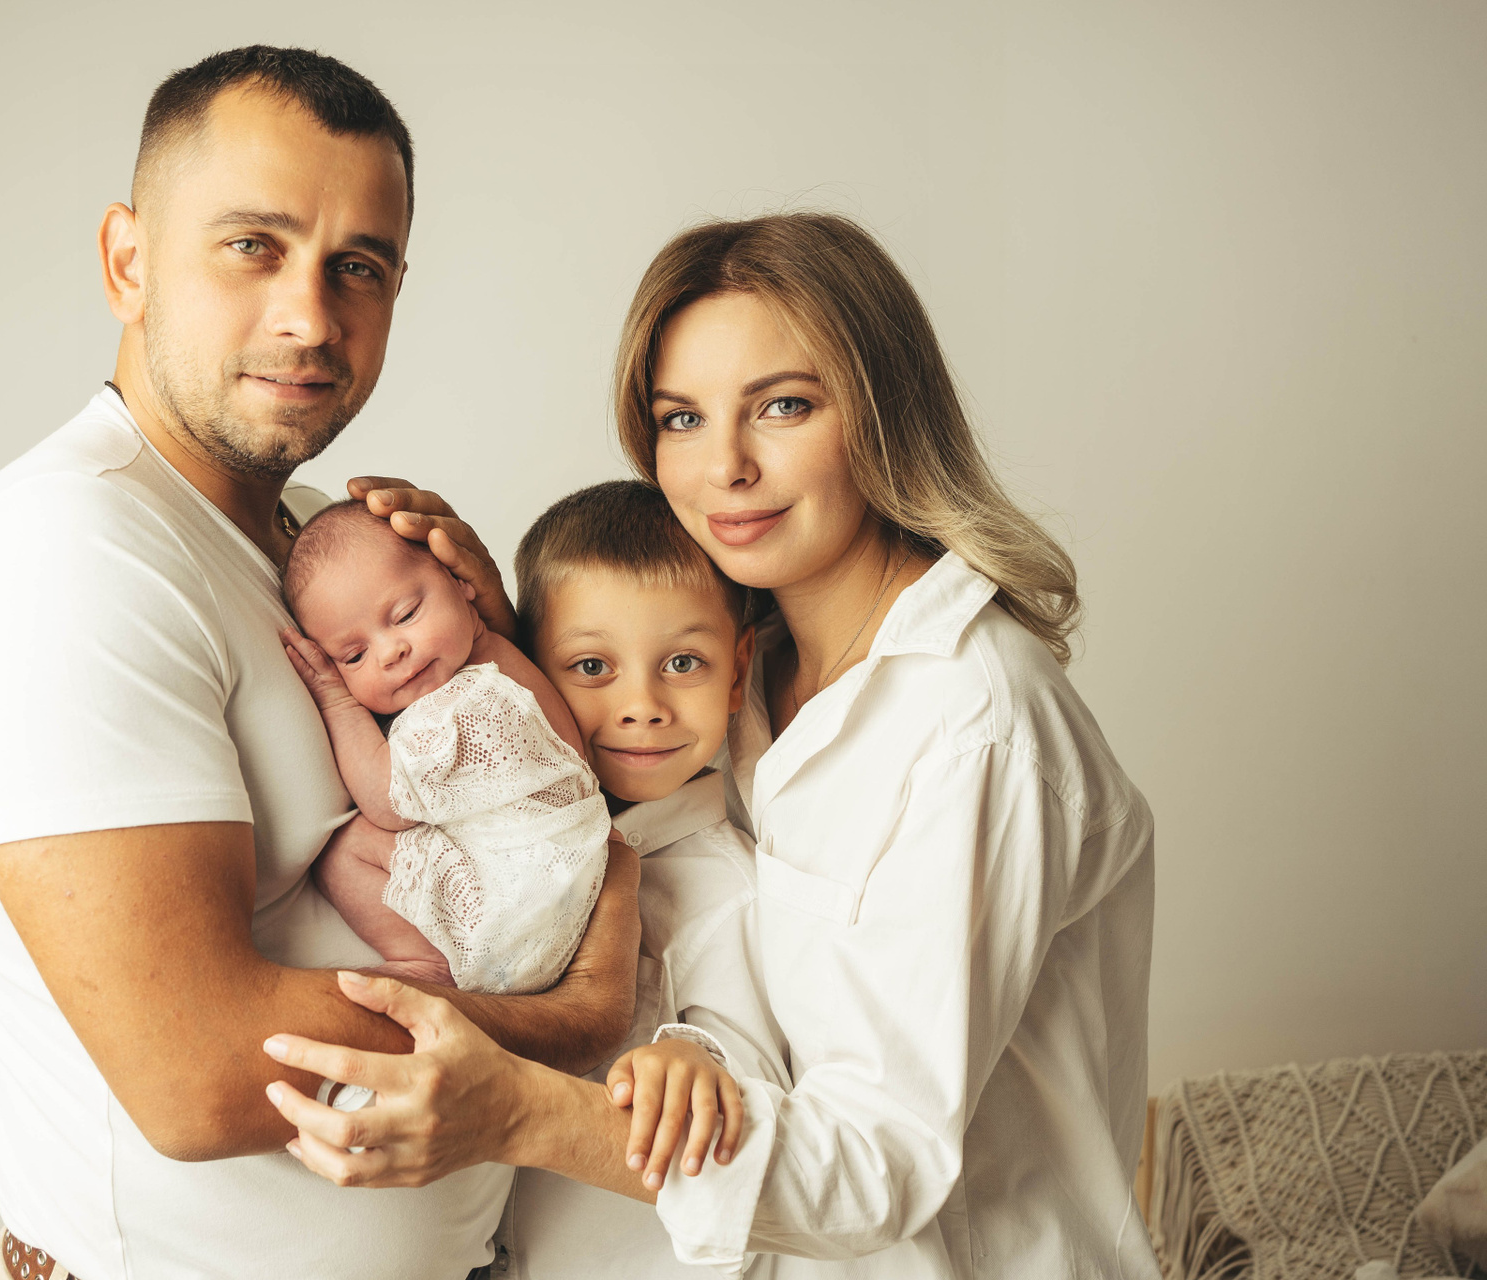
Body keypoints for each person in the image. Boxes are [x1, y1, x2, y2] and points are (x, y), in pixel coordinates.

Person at [261, 212, 1160, 1280]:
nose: (725, 465)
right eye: (682, 418)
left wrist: (523, 1112)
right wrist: (491, 643)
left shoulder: (972, 721)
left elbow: (877, 1166)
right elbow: (565, 834)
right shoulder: (729, 674)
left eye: (784, 405)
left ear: (884, 411)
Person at [0, 47, 638, 1280]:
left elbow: (494, 825)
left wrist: (501, 642)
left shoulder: (316, 546)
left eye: (360, 266)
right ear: (128, 260)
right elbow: (197, 1068)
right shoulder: (69, 546)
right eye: (254, 245)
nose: (311, 317)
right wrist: (573, 1017)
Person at [502, 480, 789, 1279]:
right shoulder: (522, 850)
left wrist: (694, 1059)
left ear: (737, 672)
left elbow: (753, 1074)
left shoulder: (725, 888)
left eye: (683, 664)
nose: (643, 705)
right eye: (593, 666)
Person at [279, 501, 609, 993]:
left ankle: (423, 960)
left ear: (461, 583)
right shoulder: (505, 664)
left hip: (512, 916)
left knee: (342, 852)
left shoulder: (464, 705)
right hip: (575, 892)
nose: (391, 652)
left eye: (406, 614)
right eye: (355, 655)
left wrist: (336, 699)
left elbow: (385, 800)